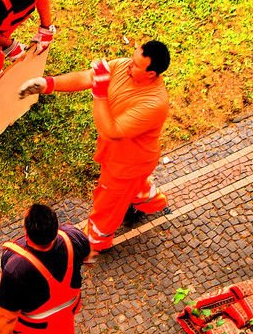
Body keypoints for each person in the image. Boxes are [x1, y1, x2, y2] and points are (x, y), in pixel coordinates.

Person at [18, 40, 171, 261]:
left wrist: (100, 93)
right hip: (131, 161)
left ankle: (96, 243)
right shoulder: (123, 66)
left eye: (137, 65)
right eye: (133, 58)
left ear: (152, 74)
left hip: (125, 166)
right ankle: (154, 201)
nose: (129, 65)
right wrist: (47, 84)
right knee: (135, 188)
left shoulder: (154, 103)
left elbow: (110, 130)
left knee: (106, 206)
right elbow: (86, 77)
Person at [0, 203, 90, 334]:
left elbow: (7, 316)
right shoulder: (73, 236)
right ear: (56, 227)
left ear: (26, 233)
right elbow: (89, 257)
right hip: (65, 312)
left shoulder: (15, 267)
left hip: (30, 324)